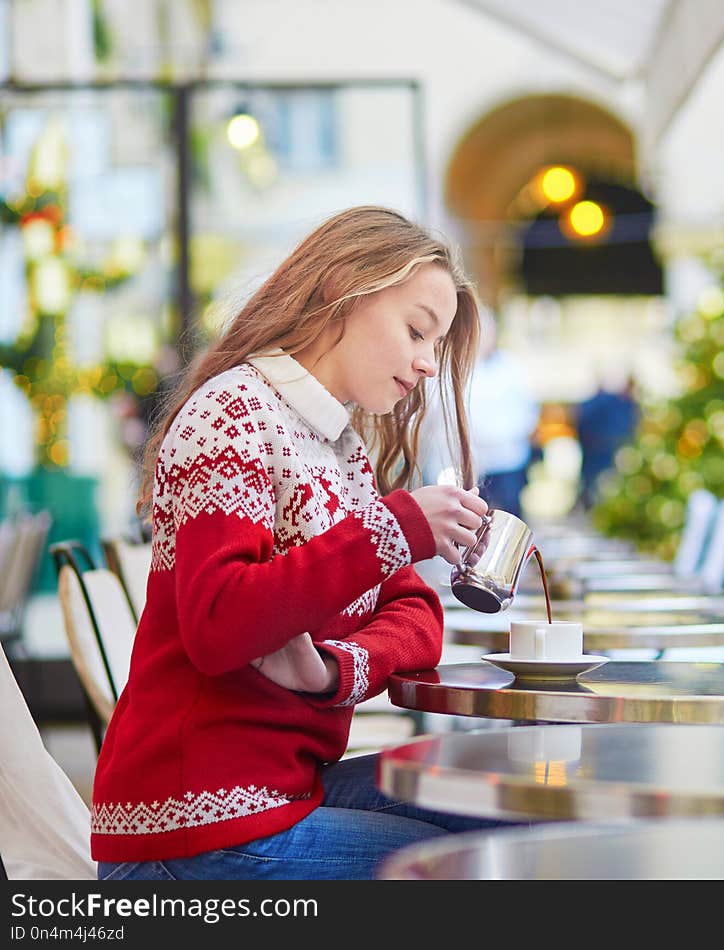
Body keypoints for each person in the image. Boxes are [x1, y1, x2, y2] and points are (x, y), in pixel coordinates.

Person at [91, 206, 521, 881]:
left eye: (434, 345)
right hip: (193, 835)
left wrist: (331, 671)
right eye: (416, 331)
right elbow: (220, 621)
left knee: (518, 810)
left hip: (282, 798)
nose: (424, 363)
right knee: (483, 866)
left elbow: (416, 614)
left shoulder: (339, 449)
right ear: (341, 284)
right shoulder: (232, 415)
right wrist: (397, 527)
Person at [466, 309, 539, 518]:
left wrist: (504, 434)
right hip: (476, 462)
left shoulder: (512, 368)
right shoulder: (464, 367)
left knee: (508, 515)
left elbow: (526, 410)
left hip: (508, 458)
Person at [575, 375, 639, 508]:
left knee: (599, 483)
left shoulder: (619, 405)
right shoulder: (613, 404)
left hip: (602, 449)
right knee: (597, 483)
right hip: (600, 449)